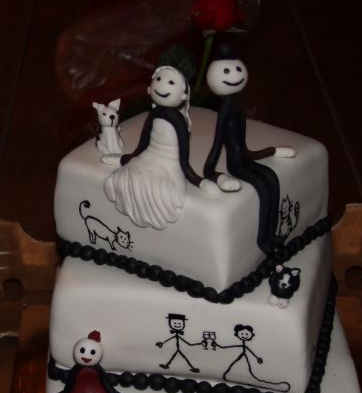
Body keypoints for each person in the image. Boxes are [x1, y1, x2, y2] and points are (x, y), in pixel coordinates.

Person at [202, 44, 296, 252]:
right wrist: (217, 175)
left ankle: (272, 233)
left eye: (237, 69)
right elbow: (217, 145)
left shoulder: (236, 107)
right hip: (236, 165)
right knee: (261, 186)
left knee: (272, 178)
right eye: (227, 71)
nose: (234, 75)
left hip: (245, 158)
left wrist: (272, 151)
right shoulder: (225, 110)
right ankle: (262, 239)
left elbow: (244, 146)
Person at [102, 66, 220, 229]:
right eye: (158, 79)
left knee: (161, 192)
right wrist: (124, 159)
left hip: (169, 162)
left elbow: (183, 159)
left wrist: (200, 182)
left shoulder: (178, 120)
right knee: (121, 180)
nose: (162, 85)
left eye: (171, 82)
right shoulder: (154, 114)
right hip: (149, 156)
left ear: (183, 95)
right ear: (149, 88)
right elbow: (142, 145)